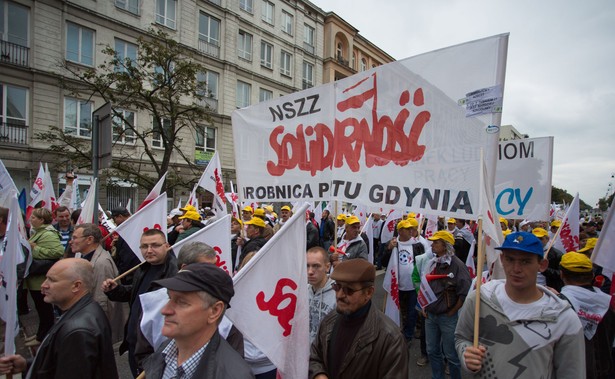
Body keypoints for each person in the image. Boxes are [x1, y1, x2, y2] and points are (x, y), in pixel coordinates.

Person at [455, 232, 585, 378]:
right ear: (502, 259)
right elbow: (461, 337)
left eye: (525, 261)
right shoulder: (479, 298)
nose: (516, 269)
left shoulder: (564, 318)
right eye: (510, 259)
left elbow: (572, 372)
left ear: (542, 265)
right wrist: (466, 354)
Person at [0, 258, 118, 379]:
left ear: (76, 286)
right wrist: (27, 364)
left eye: (52, 280)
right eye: (46, 278)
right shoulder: (82, 311)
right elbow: (59, 361)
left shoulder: (78, 331)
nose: (44, 285)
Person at [141, 263, 254, 378]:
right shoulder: (165, 351)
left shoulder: (233, 374)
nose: (165, 310)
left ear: (214, 311)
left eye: (182, 302)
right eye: (170, 298)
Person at [309, 259, 408, 378]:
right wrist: (319, 375)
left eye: (348, 290)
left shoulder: (391, 339)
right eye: (337, 286)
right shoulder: (329, 320)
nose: (339, 295)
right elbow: (315, 356)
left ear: (368, 293)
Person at [102, 228, 178, 377]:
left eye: (155, 245)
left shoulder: (174, 274)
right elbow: (136, 294)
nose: (149, 250)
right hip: (135, 344)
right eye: (144, 246)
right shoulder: (143, 268)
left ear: (167, 246)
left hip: (154, 348)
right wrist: (115, 290)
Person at [422, 230, 471, 379]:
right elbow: (425, 286)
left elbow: (465, 292)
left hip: (447, 317)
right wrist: (424, 306)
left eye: (436, 242)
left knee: (451, 355)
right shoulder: (432, 262)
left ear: (445, 245)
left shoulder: (458, 265)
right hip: (430, 316)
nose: (432, 244)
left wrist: (453, 311)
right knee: (432, 351)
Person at [559, 252, 615, 379]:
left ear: (561, 274)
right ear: (593, 275)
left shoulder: (558, 305)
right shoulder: (607, 303)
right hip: (605, 370)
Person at [70, 223, 124, 342]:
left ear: (89, 239)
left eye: (74, 238)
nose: (71, 241)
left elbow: (102, 301)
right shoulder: (89, 257)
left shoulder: (101, 263)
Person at [25, 207, 65, 347]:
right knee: (41, 309)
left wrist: (35, 248)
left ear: (42, 220)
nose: (31, 219)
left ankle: (44, 337)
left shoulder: (48, 234)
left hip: (41, 280)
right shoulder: (39, 232)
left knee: (45, 310)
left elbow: (58, 251)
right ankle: (40, 335)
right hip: (36, 279)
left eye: (34, 217)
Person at [387, 218, 425, 345]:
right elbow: (383, 262)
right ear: (400, 231)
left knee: (412, 312)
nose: (411, 231)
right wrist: (389, 248)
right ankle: (401, 330)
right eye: (407, 229)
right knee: (401, 311)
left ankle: (408, 336)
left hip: (413, 286)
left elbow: (422, 264)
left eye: (411, 229)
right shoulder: (394, 244)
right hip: (398, 285)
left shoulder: (417, 245)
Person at [307, 246, 336, 342]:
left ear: (327, 267)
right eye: (307, 266)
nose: (310, 271)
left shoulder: (337, 295)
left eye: (316, 266)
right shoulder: (302, 291)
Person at [110, 207, 140, 283]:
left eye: (114, 219)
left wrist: (121, 272)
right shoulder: (131, 227)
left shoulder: (130, 229)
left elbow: (127, 255)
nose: (114, 222)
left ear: (120, 216)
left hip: (129, 274)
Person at [532, 227, 564, 291]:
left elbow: (561, 274)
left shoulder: (556, 254)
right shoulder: (527, 252)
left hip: (548, 289)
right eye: (534, 238)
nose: (537, 241)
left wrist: (545, 270)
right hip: (531, 287)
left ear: (547, 239)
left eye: (540, 239)